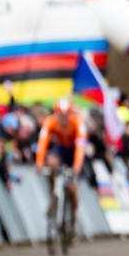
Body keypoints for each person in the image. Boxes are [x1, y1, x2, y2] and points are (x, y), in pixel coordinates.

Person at [35, 97, 86, 239]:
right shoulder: (50, 121)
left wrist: (76, 167)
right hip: (61, 149)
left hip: (74, 150)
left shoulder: (78, 122)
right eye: (60, 116)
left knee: (72, 187)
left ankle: (74, 222)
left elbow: (81, 147)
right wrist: (39, 162)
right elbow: (42, 143)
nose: (63, 120)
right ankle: (54, 193)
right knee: (51, 163)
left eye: (66, 116)